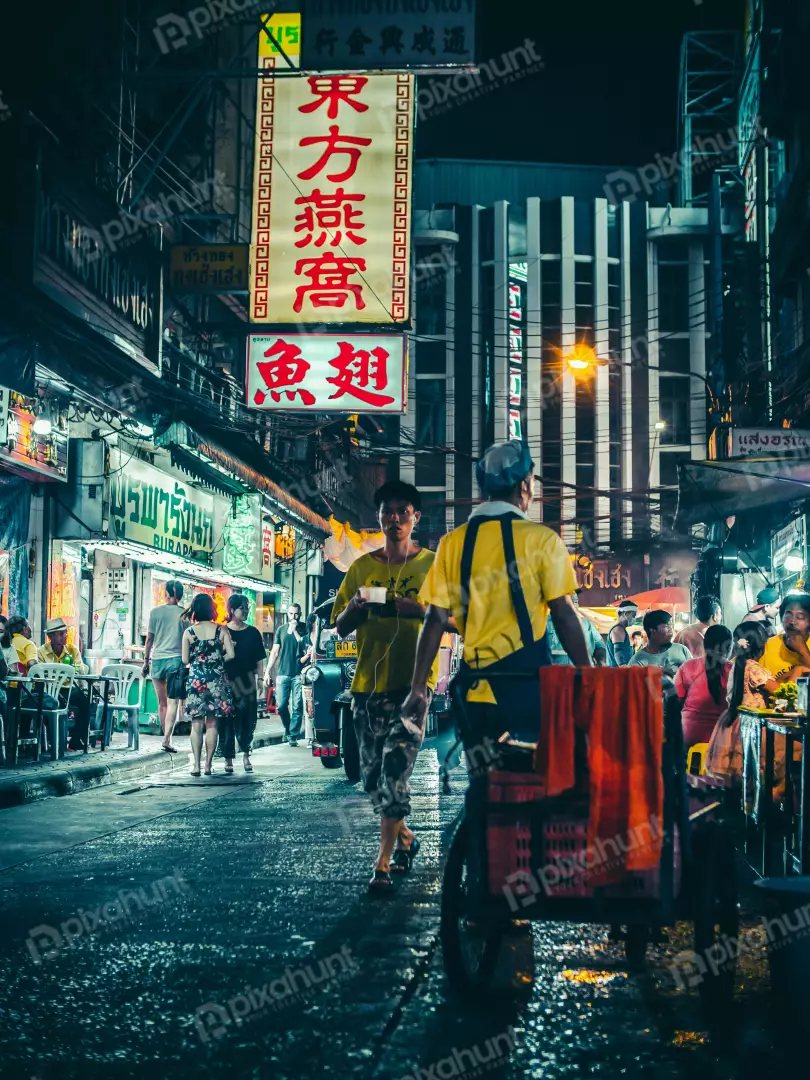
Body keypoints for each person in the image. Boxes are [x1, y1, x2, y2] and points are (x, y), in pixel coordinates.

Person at [404, 439, 591, 761]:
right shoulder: (543, 540)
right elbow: (562, 614)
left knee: (484, 787)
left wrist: (418, 688)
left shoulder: (452, 543)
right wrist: (587, 673)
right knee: (532, 786)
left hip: (474, 694)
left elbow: (434, 619)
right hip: (528, 692)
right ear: (525, 485)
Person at [333, 479, 439, 893]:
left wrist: (416, 609)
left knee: (395, 771)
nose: (394, 518)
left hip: (413, 687)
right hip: (366, 687)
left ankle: (382, 862)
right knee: (375, 779)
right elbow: (339, 627)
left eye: (402, 511)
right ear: (379, 518)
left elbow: (452, 618)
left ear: (415, 517)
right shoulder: (362, 566)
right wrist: (357, 607)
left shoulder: (432, 565)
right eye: (387, 511)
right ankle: (407, 838)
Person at [181, 594, 235, 777]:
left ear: (195, 609)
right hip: (216, 680)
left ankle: (196, 765)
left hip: (196, 680)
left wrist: (199, 663)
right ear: (212, 609)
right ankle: (208, 765)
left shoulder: (189, 632)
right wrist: (218, 660)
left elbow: (185, 659)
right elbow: (232, 655)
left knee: (196, 724)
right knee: (212, 723)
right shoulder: (221, 630)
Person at [224, 594, 266, 774]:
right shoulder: (223, 631)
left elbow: (259, 659)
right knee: (227, 720)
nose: (246, 611)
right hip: (227, 681)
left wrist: (261, 679)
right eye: (242, 607)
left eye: (247, 607)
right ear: (232, 610)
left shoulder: (253, 632)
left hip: (248, 681)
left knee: (248, 720)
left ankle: (246, 754)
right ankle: (228, 758)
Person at [142, 581, 186, 753]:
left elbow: (149, 639)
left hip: (158, 659)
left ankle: (165, 738)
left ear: (167, 593)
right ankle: (167, 739)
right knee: (173, 702)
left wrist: (146, 661)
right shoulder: (184, 614)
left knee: (162, 704)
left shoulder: (155, 612)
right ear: (180, 595)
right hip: (176, 660)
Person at [673, 624, 733, 748]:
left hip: (689, 736)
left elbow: (675, 701)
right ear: (730, 647)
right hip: (722, 739)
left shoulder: (688, 666)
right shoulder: (734, 670)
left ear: (705, 645)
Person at [38, 617, 91, 751]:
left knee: (85, 701)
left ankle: (76, 740)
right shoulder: (41, 652)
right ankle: (54, 741)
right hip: (49, 690)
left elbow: (83, 669)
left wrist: (75, 667)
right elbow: (39, 673)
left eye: (65, 633)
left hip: (67, 688)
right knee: (55, 703)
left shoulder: (72, 650)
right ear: (50, 636)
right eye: (61, 633)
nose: (65, 636)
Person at [266, 603, 307, 746]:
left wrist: (295, 630)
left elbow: (303, 645)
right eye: (291, 614)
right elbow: (275, 651)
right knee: (281, 706)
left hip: (298, 673)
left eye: (296, 614)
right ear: (287, 614)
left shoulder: (304, 629)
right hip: (282, 673)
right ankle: (288, 729)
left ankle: (293, 735)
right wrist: (267, 672)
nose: (293, 617)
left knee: (297, 706)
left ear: (300, 614)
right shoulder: (281, 630)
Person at [546, 589, 606, 665]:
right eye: (571, 599)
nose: (575, 602)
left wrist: (601, 661)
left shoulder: (586, 624)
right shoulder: (546, 623)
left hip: (583, 672)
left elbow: (600, 645)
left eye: (576, 600)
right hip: (555, 673)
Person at [760, 592, 810, 682]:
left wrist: (804, 651)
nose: (792, 621)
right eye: (788, 615)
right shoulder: (768, 646)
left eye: (800, 617)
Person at [627, 610, 692, 675]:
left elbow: (695, 675)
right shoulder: (637, 662)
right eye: (666, 626)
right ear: (653, 631)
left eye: (671, 626)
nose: (671, 631)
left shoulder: (682, 650)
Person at [606, 601, 639, 666]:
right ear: (626, 613)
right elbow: (620, 659)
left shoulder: (621, 630)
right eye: (633, 615)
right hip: (617, 674)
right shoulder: (618, 630)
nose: (634, 618)